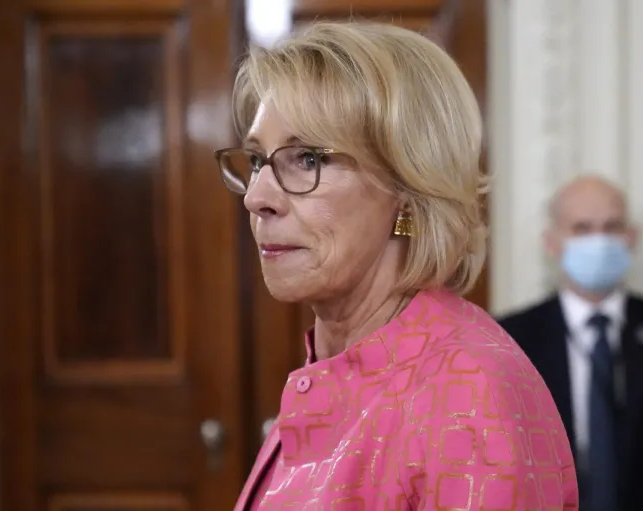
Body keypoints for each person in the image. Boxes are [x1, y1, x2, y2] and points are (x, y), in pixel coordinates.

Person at [214, 21, 578, 511]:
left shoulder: (469, 395)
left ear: (408, 190)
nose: (258, 197)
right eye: (258, 160)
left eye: (305, 159)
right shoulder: (334, 364)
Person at [499, 175, 643, 511]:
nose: (598, 241)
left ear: (631, 238)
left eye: (611, 227)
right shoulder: (509, 339)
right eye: (582, 229)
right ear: (551, 242)